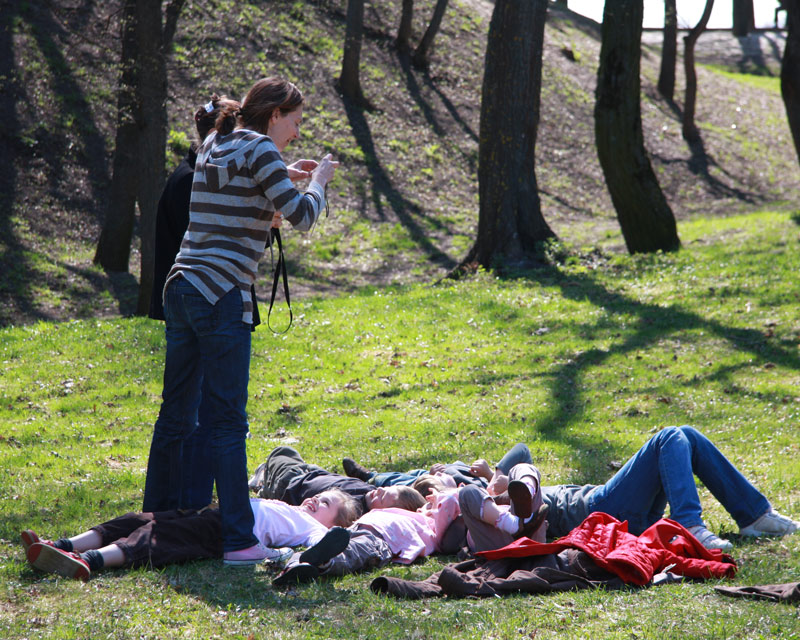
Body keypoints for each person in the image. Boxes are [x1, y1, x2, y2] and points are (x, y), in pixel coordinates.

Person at [142, 76, 339, 566]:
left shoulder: (217, 140)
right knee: (227, 422)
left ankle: (155, 523)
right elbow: (302, 217)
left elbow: (233, 193)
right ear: (275, 115)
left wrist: (283, 174)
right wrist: (318, 182)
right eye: (295, 122)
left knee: (175, 415)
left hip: (181, 285)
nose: (296, 132)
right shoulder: (261, 150)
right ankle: (238, 540)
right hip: (220, 293)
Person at [537, 425, 799, 550]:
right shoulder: (512, 500)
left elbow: (520, 452)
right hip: (599, 513)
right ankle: (689, 524)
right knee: (669, 437)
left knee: (687, 435)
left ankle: (754, 516)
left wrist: (508, 471)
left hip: (606, 502)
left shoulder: (514, 478)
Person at [22, 488, 360, 580]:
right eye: (319, 495)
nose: (315, 500)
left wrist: (317, 550)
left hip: (225, 531)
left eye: (325, 503)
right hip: (211, 513)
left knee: (157, 535)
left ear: (335, 521)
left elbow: (321, 546)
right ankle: (61, 545)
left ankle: (89, 560)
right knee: (136, 519)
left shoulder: (315, 528)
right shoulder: (291, 507)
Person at [273, 482, 462, 586]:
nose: (379, 490)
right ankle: (294, 567)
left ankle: (326, 562)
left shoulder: (427, 522)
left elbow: (453, 503)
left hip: (381, 539)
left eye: (386, 495)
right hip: (355, 529)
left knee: (354, 552)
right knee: (323, 546)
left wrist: (439, 496)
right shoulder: (378, 513)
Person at [249, 446, 427, 515]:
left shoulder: (352, 511)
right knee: (290, 454)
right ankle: (264, 481)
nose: (378, 491)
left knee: (281, 452)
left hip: (290, 484)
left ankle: (264, 486)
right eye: (384, 490)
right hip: (313, 472)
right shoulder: (369, 492)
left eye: (382, 498)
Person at [342, 442, 533, 492]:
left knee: (405, 483)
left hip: (441, 485)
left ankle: (369, 479)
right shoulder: (498, 480)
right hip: (451, 471)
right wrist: (491, 474)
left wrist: (432, 480)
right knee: (412, 473)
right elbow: (522, 450)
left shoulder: (488, 499)